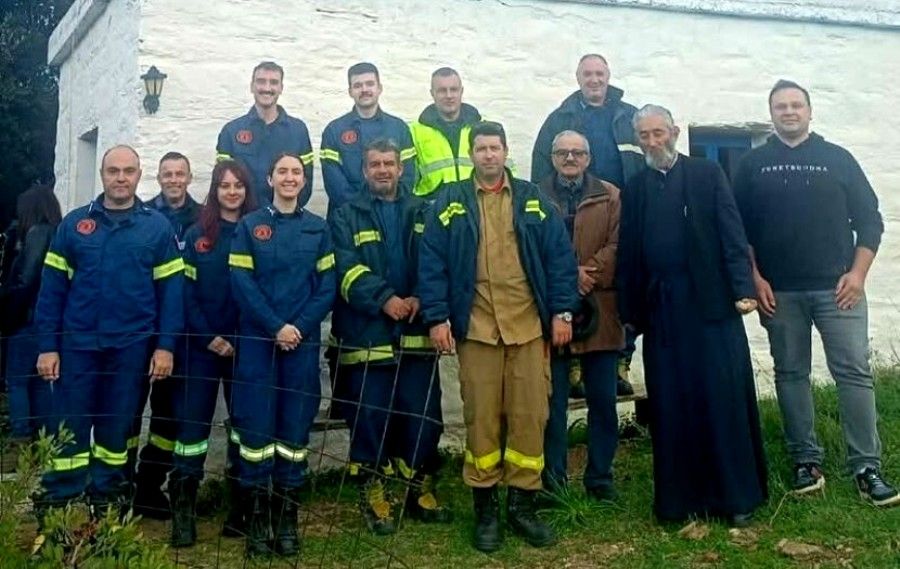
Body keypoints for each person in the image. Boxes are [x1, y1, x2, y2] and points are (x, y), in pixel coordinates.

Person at [734, 80, 898, 506]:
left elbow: (871, 221)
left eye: (796, 105)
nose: (789, 112)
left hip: (838, 289)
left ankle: (866, 467)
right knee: (791, 374)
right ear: (771, 113)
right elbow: (738, 232)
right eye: (781, 106)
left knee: (854, 374)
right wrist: (755, 278)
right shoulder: (752, 165)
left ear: (810, 111)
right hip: (779, 293)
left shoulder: (837, 159)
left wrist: (858, 275)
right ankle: (806, 461)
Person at [419, 121, 579, 552]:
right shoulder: (451, 202)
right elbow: (431, 261)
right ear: (471, 154)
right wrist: (437, 317)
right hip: (477, 330)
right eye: (481, 148)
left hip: (527, 329)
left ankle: (523, 507)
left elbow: (560, 258)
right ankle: (486, 510)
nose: (488, 155)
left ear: (506, 152)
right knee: (482, 420)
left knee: (530, 417)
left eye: (495, 148)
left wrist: (562, 312)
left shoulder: (532, 200)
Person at [617, 105, 767, 527]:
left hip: (711, 304)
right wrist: (630, 311)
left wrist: (743, 289)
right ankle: (678, 501)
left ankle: (735, 498)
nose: (652, 141)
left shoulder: (706, 174)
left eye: (658, 132)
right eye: (644, 135)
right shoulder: (636, 187)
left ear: (675, 132)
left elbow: (732, 232)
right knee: (670, 402)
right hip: (662, 309)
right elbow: (629, 252)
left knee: (721, 397)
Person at [33, 145, 184, 521]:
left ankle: (107, 512)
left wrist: (165, 347)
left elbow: (171, 296)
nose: (121, 178)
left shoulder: (156, 228)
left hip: (130, 349)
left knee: (116, 433)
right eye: (113, 171)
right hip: (77, 349)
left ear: (139, 175)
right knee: (68, 429)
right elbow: (51, 292)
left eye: (128, 171)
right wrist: (47, 346)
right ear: (102, 175)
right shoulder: (74, 225)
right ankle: (58, 512)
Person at [330, 138, 449, 536]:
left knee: (423, 414)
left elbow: (436, 261)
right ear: (364, 171)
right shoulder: (345, 215)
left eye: (389, 163)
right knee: (369, 416)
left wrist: (420, 297)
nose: (382, 170)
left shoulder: (424, 210)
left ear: (401, 168)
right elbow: (344, 267)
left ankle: (418, 485)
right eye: (375, 164)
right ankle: (373, 489)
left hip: (415, 331)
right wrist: (385, 299)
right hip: (368, 334)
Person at [229, 152, 336, 558]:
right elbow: (241, 282)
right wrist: (275, 326)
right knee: (256, 431)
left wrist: (298, 328)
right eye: (282, 172)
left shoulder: (318, 229)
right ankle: (258, 519)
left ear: (304, 181)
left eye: (296, 172)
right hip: (259, 343)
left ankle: (287, 517)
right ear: (270, 179)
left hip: (300, 345)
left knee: (294, 430)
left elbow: (327, 286)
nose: (290, 178)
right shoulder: (249, 226)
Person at [531, 53, 643, 395]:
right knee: (574, 285)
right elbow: (541, 171)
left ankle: (622, 361)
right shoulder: (560, 117)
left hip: (624, 214)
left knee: (623, 289)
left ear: (608, 76)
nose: (594, 80)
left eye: (599, 73)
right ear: (578, 78)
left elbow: (646, 162)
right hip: (572, 215)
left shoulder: (629, 116)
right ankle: (576, 363)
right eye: (587, 74)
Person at [168, 160, 257, 547]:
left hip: (244, 346)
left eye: (238, 185)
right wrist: (209, 337)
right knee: (192, 430)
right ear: (214, 191)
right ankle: (183, 513)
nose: (232, 192)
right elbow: (184, 294)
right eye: (224, 185)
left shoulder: (258, 231)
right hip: (201, 348)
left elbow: (259, 292)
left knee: (243, 428)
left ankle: (239, 509)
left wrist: (238, 337)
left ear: (247, 190)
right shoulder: (196, 235)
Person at [538, 131, 623, 501]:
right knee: (552, 402)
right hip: (552, 309)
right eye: (562, 153)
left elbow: (619, 244)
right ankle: (554, 480)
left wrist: (589, 273)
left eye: (577, 153)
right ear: (552, 157)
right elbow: (529, 247)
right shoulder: (534, 197)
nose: (570, 158)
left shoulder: (611, 195)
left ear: (588, 158)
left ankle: (600, 478)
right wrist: (569, 276)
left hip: (601, 309)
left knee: (603, 401)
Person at [132, 151, 202, 520]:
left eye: (180, 174)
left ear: (189, 178)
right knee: (127, 412)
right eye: (168, 174)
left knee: (168, 415)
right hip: (143, 328)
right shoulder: (142, 216)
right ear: (158, 178)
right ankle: (118, 489)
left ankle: (149, 486)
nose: (174, 180)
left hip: (184, 334)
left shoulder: (203, 218)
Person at [0, 185, 62, 448]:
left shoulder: (37, 233)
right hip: (47, 319)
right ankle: (45, 439)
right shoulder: (58, 233)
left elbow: (25, 279)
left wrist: (8, 315)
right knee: (39, 381)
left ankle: (21, 438)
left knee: (16, 381)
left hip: (27, 319)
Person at [321, 62, 416, 216]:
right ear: (350, 91)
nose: (364, 89)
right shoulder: (334, 131)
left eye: (370, 84)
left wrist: (388, 208)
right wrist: (362, 212)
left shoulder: (399, 128)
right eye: (358, 85)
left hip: (392, 216)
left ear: (380, 88)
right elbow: (335, 184)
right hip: (347, 218)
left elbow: (408, 177)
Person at [217, 61, 314, 206]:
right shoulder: (231, 132)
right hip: (244, 216)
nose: (267, 88)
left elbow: (306, 181)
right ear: (252, 86)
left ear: (281, 88)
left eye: (273, 82)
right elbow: (222, 181)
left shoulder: (298, 130)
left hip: (284, 215)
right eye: (261, 81)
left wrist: (285, 211)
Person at [410, 67, 483, 198]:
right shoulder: (414, 132)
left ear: (461, 91)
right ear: (432, 93)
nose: (449, 96)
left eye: (453, 89)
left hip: (476, 204)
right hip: (433, 207)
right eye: (442, 91)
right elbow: (407, 181)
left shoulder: (482, 129)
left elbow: (505, 171)